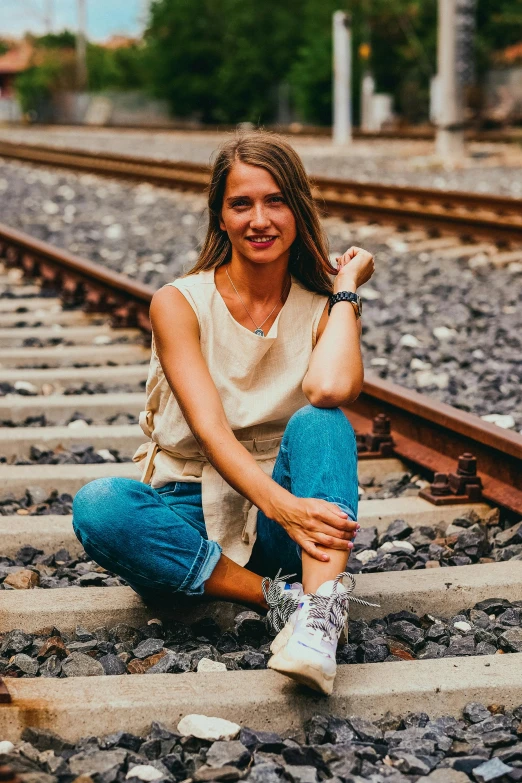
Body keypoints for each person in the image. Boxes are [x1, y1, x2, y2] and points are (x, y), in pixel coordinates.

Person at [72, 130, 376, 695]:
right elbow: (211, 433)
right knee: (102, 505)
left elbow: (332, 389)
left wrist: (346, 290)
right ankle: (283, 599)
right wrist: (285, 508)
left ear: (299, 211)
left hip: (281, 517)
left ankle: (317, 628)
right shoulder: (178, 302)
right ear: (220, 218)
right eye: (241, 204)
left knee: (321, 423)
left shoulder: (320, 307)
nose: (259, 220)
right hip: (190, 504)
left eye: (275, 201)